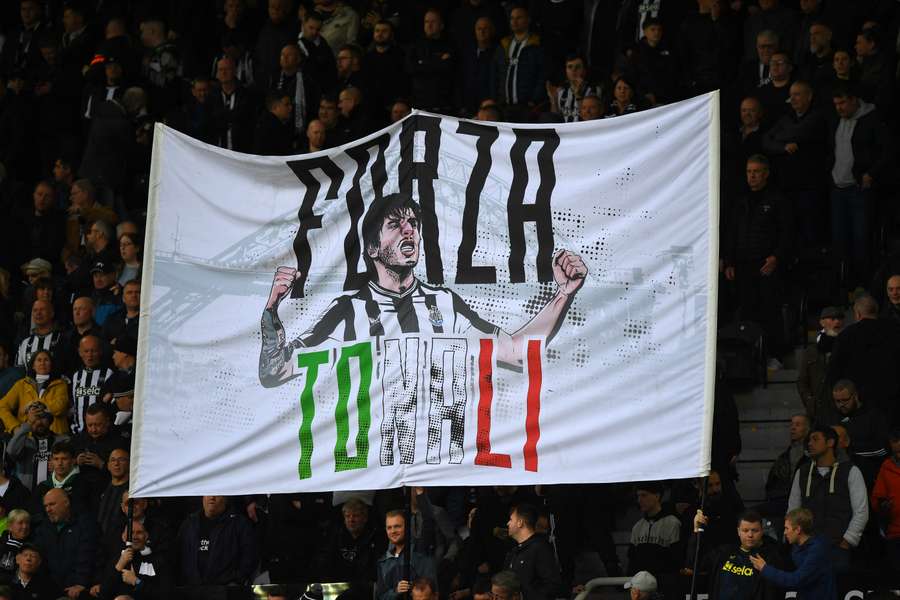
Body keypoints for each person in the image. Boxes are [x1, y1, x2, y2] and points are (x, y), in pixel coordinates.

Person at [259, 193, 588, 386]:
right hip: (373, 469)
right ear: (372, 248)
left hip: (440, 466)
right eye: (395, 224)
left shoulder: (445, 303)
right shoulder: (348, 311)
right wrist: (273, 309)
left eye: (413, 224)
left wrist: (563, 294)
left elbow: (516, 354)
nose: (409, 231)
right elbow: (276, 371)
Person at [722, 155, 793, 363]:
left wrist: (777, 257)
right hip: (743, 266)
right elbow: (731, 233)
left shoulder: (777, 200)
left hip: (766, 265)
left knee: (769, 310)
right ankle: (749, 357)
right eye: (749, 172)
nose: (752, 176)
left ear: (766, 174)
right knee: (746, 312)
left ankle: (774, 354)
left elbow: (787, 233)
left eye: (756, 171)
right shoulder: (740, 201)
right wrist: (729, 261)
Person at [829, 83, 891, 288]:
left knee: (861, 240)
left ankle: (864, 286)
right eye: (836, 104)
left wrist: (870, 173)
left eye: (843, 103)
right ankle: (843, 286)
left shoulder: (872, 120)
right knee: (840, 241)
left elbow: (887, 151)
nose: (839, 108)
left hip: (859, 189)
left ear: (854, 100)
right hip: (838, 188)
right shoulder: (836, 121)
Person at [787, 425, 867, 573]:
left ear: (830, 442)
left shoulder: (850, 471)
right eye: (809, 440)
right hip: (806, 548)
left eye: (815, 439)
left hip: (837, 547)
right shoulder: (802, 472)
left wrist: (847, 541)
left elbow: (861, 511)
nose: (810, 443)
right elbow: (793, 510)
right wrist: (796, 540)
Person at [761, 80, 828, 244]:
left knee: (809, 228)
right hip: (788, 184)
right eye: (791, 95)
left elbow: (799, 133)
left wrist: (779, 137)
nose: (793, 99)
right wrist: (783, 147)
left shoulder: (818, 116)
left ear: (809, 96)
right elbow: (765, 141)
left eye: (797, 94)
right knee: (790, 228)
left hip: (809, 185)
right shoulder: (787, 117)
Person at [828, 295, 900, 424]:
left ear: (857, 314)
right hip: (893, 400)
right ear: (876, 311)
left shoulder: (846, 335)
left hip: (860, 403)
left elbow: (834, 372)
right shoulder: (895, 330)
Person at [695, 509, 785, 600]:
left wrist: (767, 570)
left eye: (755, 530)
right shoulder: (723, 553)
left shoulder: (771, 558)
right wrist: (697, 530)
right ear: (738, 531)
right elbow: (696, 563)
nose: (750, 535)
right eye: (745, 530)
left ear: (762, 531)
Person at [750, 508, 836, 599]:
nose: (785, 532)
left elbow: (796, 580)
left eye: (787, 528)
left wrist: (765, 568)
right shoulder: (796, 545)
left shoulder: (817, 550)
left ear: (798, 530)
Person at [176, 496, 258, 585]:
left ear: (226, 498)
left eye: (217, 493)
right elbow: (177, 557)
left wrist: (236, 581)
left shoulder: (240, 524)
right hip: (191, 592)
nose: (212, 497)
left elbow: (249, 558)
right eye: (208, 493)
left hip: (226, 593)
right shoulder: (189, 524)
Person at [827, 379, 889, 487]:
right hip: (840, 480)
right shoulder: (833, 417)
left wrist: (850, 446)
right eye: (837, 401)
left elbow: (883, 450)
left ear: (855, 396)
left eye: (845, 400)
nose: (841, 405)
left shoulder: (873, 416)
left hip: (869, 478)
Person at [99, 519, 173, 599]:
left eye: (139, 533)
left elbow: (165, 594)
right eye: (131, 533)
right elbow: (103, 593)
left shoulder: (157, 560)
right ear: (123, 537)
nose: (134, 537)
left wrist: (137, 582)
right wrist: (119, 566)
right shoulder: (117, 559)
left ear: (146, 536)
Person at [315, 498, 385, 582]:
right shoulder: (336, 536)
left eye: (355, 516)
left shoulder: (375, 537)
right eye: (347, 516)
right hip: (338, 584)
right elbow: (324, 562)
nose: (351, 520)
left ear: (365, 518)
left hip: (366, 586)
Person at [0, 350, 69, 435]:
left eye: (46, 360)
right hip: (28, 439)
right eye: (39, 360)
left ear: (51, 364)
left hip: (55, 437)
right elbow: (2, 406)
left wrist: (29, 405)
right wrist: (15, 427)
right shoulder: (21, 384)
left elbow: (60, 407)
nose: (42, 363)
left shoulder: (60, 384)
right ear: (33, 365)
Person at [5, 401, 66, 492]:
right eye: (34, 419)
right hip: (27, 495)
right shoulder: (23, 443)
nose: (38, 422)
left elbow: (72, 465)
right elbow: (11, 452)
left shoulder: (62, 441)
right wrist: (28, 423)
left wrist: (61, 468)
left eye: (42, 417)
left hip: (55, 495)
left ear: (50, 420)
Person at [503, 503, 560, 600]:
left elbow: (551, 585)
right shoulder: (514, 552)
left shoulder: (540, 549)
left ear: (520, 522)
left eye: (511, 519)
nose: (508, 523)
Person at [375, 510, 436, 600]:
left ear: (408, 527)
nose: (393, 531)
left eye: (397, 526)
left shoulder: (420, 550)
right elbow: (380, 596)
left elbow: (429, 520)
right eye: (389, 528)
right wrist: (395, 591)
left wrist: (421, 496)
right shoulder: (383, 562)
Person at [496, 5, 545, 115]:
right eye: (512, 18)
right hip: (504, 106)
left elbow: (542, 74)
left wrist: (534, 100)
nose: (514, 21)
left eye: (519, 18)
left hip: (528, 107)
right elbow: (495, 73)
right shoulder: (503, 44)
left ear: (528, 20)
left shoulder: (537, 44)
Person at [796, 307, 843, 420]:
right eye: (832, 318)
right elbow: (802, 380)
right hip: (819, 410)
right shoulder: (811, 351)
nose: (836, 322)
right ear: (822, 322)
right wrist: (810, 401)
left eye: (839, 318)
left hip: (841, 409)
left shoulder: (847, 347)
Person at [406, 9, 455, 114]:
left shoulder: (449, 45)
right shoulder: (415, 46)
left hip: (443, 105)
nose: (429, 25)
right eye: (426, 22)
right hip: (420, 104)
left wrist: (423, 63)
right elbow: (411, 68)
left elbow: (448, 68)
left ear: (441, 25)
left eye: (433, 22)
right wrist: (438, 62)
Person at [627, 482, 681, 576]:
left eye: (644, 495)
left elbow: (676, 559)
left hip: (663, 582)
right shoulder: (637, 526)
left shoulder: (673, 523)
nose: (639, 500)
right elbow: (632, 561)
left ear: (657, 496)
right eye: (638, 496)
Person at [764, 414, 810, 518]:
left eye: (798, 425)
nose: (793, 428)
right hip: (782, 500)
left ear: (807, 429)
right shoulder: (783, 457)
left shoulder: (811, 456)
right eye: (792, 424)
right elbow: (771, 483)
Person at [871, 428, 900, 571]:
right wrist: (883, 505)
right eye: (895, 441)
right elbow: (877, 498)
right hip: (895, 533)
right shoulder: (886, 466)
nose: (899, 444)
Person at [14, 300, 60, 367]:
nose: (38, 313)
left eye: (42, 309)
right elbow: (19, 371)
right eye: (35, 310)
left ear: (52, 313)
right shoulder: (24, 343)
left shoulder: (62, 340)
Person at [253, 91, 295, 156]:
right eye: (286, 105)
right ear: (275, 107)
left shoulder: (263, 123)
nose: (291, 107)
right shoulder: (274, 128)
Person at [0, 510, 33, 583]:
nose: (25, 527)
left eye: (27, 523)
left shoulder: (31, 547)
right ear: (10, 526)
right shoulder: (3, 540)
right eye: (20, 523)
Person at [102, 280, 139, 345]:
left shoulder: (150, 320)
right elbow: (103, 344)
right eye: (129, 293)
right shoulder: (111, 319)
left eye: (138, 292)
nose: (134, 295)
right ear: (123, 298)